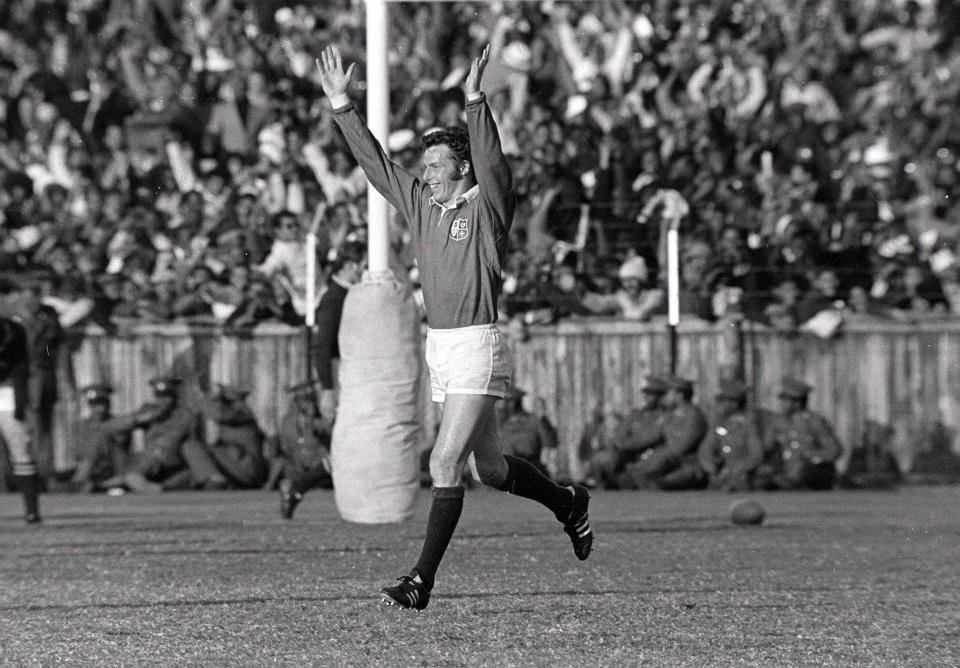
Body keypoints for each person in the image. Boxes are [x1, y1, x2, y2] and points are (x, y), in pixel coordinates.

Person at [316, 43, 592, 611]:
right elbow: (376, 164)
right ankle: (568, 504)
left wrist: (474, 100)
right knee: (487, 468)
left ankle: (422, 580)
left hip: (477, 344)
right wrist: (342, 105)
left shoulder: (486, 208)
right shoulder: (421, 204)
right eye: (428, 167)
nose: (429, 174)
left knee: (443, 463)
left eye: (438, 165)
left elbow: (494, 166)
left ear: (462, 168)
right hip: (440, 347)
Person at [101, 376, 229, 492]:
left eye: (167, 396)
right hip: (150, 467)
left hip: (174, 465)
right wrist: (138, 419)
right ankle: (131, 480)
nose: (163, 400)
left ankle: (134, 480)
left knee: (165, 450)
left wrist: (139, 470)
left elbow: (171, 443)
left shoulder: (185, 413)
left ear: (175, 396)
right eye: (159, 396)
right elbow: (108, 428)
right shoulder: (148, 410)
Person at [622, 375, 708, 490]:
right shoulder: (670, 415)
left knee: (656, 482)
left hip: (688, 466)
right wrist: (623, 444)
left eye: (668, 393)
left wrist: (652, 462)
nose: (665, 397)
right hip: (668, 465)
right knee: (635, 475)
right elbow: (650, 436)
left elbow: (680, 448)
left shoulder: (693, 416)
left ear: (679, 395)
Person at [755, 377, 843, 491]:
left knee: (808, 473)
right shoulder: (776, 421)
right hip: (786, 471)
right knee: (762, 480)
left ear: (797, 402)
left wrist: (809, 455)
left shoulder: (814, 421)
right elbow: (767, 448)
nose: (781, 404)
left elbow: (834, 450)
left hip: (810, 471)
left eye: (785, 401)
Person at [0, 280, 41, 523]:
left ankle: (32, 510)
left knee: (20, 450)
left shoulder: (15, 328)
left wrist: (21, 400)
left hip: (6, 393)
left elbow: (22, 364)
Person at [312, 240, 365, 419]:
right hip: (337, 373)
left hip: (347, 371)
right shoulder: (334, 299)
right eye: (364, 267)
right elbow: (323, 345)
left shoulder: (346, 295)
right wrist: (327, 389)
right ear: (351, 266)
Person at [588, 375, 667, 489]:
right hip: (626, 454)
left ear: (659, 396)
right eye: (646, 393)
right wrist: (620, 444)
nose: (646, 397)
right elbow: (620, 434)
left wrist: (624, 444)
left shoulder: (663, 416)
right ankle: (601, 488)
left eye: (651, 394)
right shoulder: (637, 414)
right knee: (600, 459)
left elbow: (650, 437)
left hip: (648, 456)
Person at [274, 382, 333, 519]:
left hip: (321, 468)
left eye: (309, 399)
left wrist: (314, 423)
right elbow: (286, 449)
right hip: (301, 468)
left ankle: (296, 489)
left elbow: (329, 433)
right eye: (301, 399)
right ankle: (294, 491)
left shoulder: (321, 419)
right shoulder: (288, 422)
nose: (307, 403)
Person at [696, 379, 764, 492]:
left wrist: (734, 469)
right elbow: (707, 447)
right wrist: (710, 466)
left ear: (735, 403)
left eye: (724, 401)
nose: (720, 405)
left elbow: (756, 455)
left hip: (742, 472)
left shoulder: (749, 424)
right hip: (721, 471)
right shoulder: (718, 422)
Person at [197, 383, 268, 489]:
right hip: (237, 465)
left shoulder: (242, 412)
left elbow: (218, 414)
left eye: (224, 400)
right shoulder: (238, 412)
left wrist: (204, 397)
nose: (220, 403)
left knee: (196, 448)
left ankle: (215, 480)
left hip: (247, 470)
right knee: (200, 455)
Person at [69, 384, 131, 492]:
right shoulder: (81, 426)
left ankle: (82, 481)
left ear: (108, 404)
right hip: (92, 470)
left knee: (101, 435)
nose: (98, 409)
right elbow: (77, 453)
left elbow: (121, 446)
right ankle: (85, 481)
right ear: (89, 405)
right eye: (94, 405)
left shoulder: (119, 422)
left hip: (114, 471)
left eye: (101, 404)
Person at [496, 387, 555, 475]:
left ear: (515, 403)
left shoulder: (533, 421)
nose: (504, 405)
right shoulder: (498, 423)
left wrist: (543, 420)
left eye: (509, 401)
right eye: (504, 401)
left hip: (529, 468)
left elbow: (550, 442)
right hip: (503, 472)